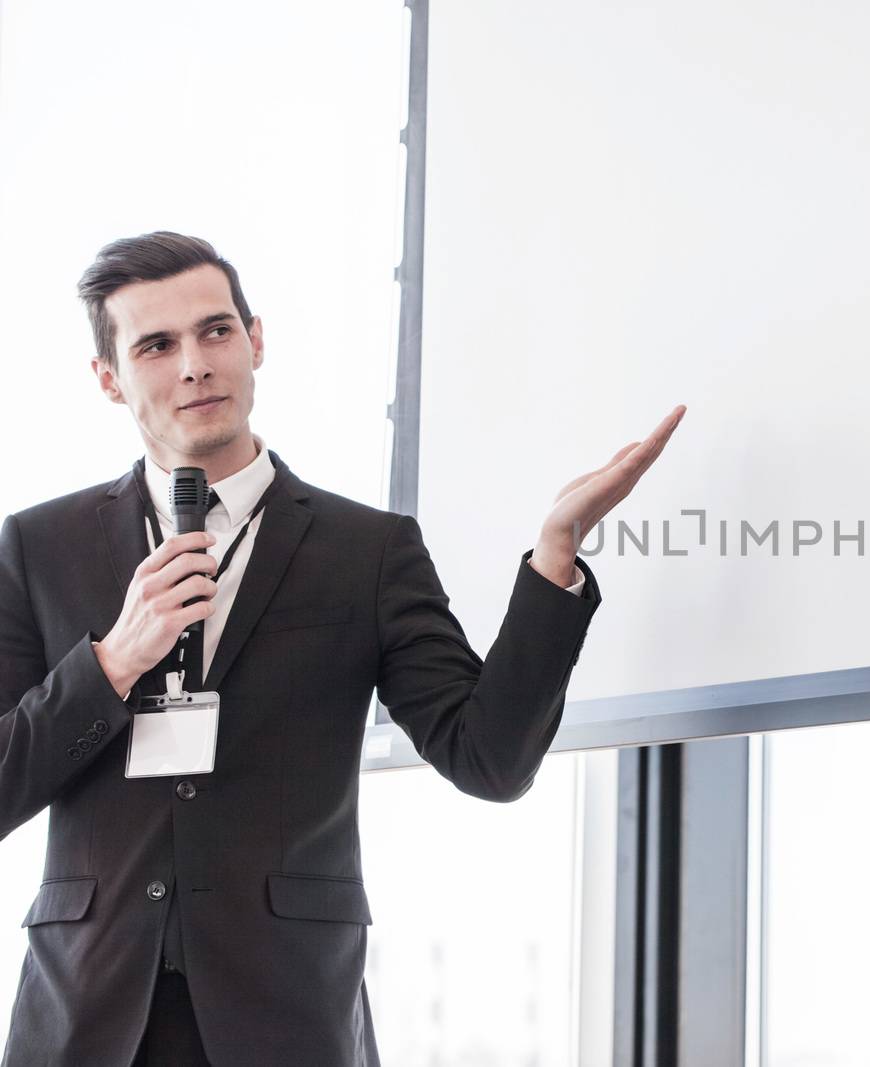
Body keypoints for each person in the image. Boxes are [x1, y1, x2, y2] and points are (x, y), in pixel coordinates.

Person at [0, 231, 686, 1065]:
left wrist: (554, 557)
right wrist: (111, 663)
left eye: (216, 331)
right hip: (86, 1019)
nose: (194, 364)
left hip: (287, 1015)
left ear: (257, 339)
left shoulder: (368, 549)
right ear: (110, 378)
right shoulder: (39, 546)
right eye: (156, 345)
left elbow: (489, 759)